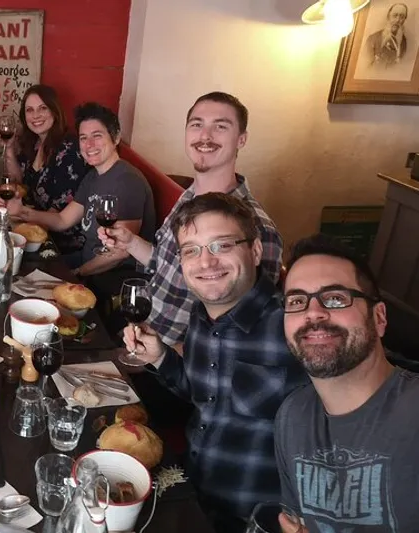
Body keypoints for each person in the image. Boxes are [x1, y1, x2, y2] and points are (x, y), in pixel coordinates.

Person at [123, 193, 308, 533]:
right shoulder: (202, 313)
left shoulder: (295, 328)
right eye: (191, 250)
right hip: (191, 493)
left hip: (251, 519)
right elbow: (204, 396)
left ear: (255, 251)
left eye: (222, 246)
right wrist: (160, 357)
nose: (206, 263)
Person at [99, 91, 283, 349]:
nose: (205, 136)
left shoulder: (257, 227)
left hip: (172, 362)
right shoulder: (190, 196)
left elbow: (245, 337)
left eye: (220, 126)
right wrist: (130, 242)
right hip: (140, 335)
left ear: (241, 139)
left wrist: (162, 356)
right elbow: (165, 264)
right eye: (197, 125)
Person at [275, 234, 419, 532]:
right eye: (297, 301)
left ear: (379, 318)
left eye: (335, 298)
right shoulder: (292, 416)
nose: (313, 313)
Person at [0, 101, 155, 276]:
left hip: (113, 278)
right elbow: (62, 220)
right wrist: (21, 211)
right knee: (17, 264)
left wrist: (78, 273)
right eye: (83, 138)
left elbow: (119, 254)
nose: (89, 145)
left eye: (97, 136)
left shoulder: (128, 181)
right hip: (85, 260)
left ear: (116, 138)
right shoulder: (92, 177)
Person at [1, 85, 90, 260]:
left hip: (59, 242)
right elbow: (18, 181)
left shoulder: (70, 150)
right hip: (35, 228)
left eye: (43, 108)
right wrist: (9, 148)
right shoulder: (34, 143)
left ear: (55, 111)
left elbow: (58, 215)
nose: (35, 115)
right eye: (29, 110)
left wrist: (19, 219)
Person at [366, 3, 409, 67]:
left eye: (402, 17)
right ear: (388, 17)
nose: (397, 20)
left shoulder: (403, 42)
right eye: (395, 15)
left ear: (404, 20)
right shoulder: (373, 38)